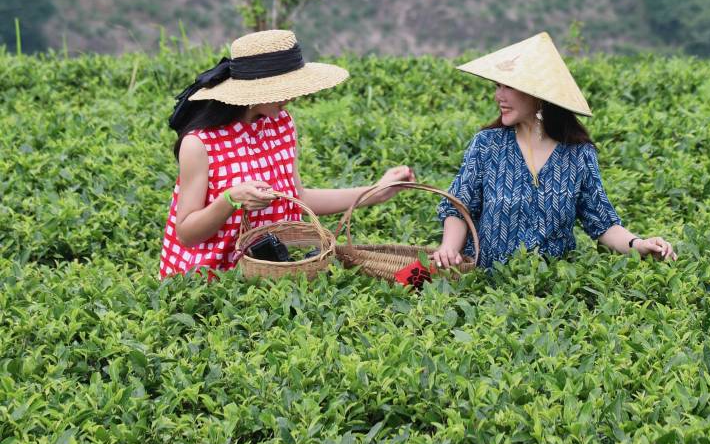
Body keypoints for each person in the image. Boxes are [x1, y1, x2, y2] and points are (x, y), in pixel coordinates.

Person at [160, 29, 414, 278]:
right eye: (283, 88)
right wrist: (230, 200)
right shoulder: (199, 143)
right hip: (210, 280)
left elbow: (298, 197)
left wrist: (375, 192)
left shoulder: (281, 123)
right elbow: (187, 233)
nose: (292, 96)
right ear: (254, 89)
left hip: (271, 273)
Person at [431, 32, 677, 272]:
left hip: (550, 291)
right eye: (497, 86)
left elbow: (603, 225)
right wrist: (449, 249)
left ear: (538, 94)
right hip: (487, 287)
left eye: (508, 87)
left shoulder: (578, 154)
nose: (498, 96)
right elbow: (458, 205)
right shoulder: (487, 144)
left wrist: (639, 244)